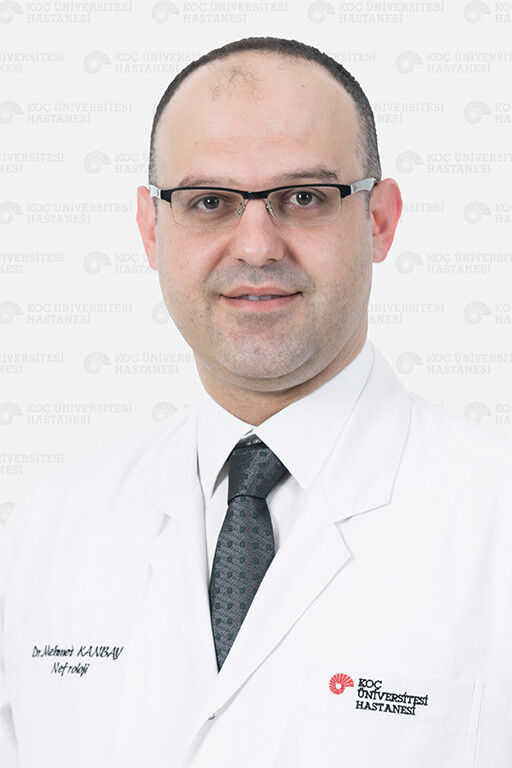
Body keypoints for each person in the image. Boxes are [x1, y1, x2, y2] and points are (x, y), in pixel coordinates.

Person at [0, 36, 510, 768]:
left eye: (304, 198)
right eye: (209, 202)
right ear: (151, 230)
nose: (256, 246)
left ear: (379, 220)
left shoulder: (496, 519)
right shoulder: (50, 527)